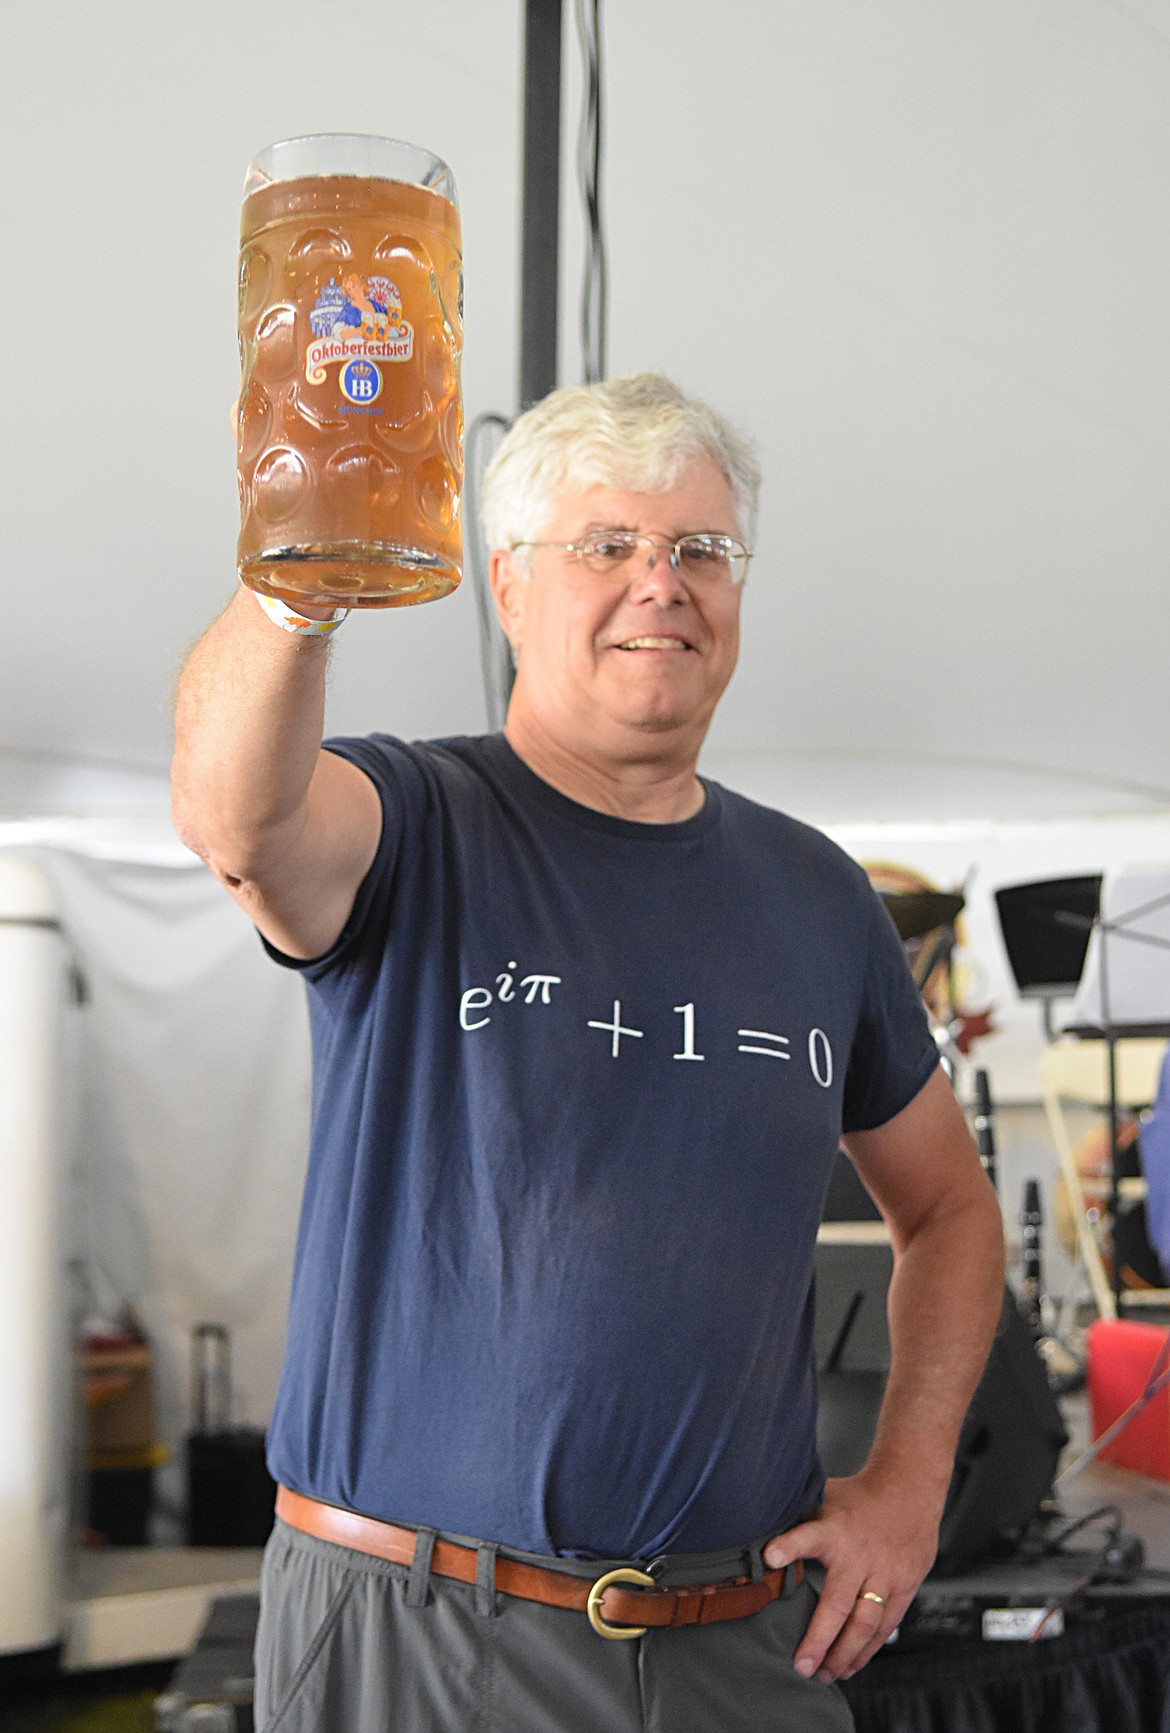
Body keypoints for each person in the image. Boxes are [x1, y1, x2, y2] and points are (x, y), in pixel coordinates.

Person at [172, 373, 1005, 1732]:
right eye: (606, 545)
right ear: (507, 588)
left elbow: (951, 1209)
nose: (659, 582)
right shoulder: (414, 820)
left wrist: (908, 1483)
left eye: (699, 549)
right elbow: (237, 821)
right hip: (420, 1633)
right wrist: (295, 578)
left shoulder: (813, 894)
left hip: (742, 1647)